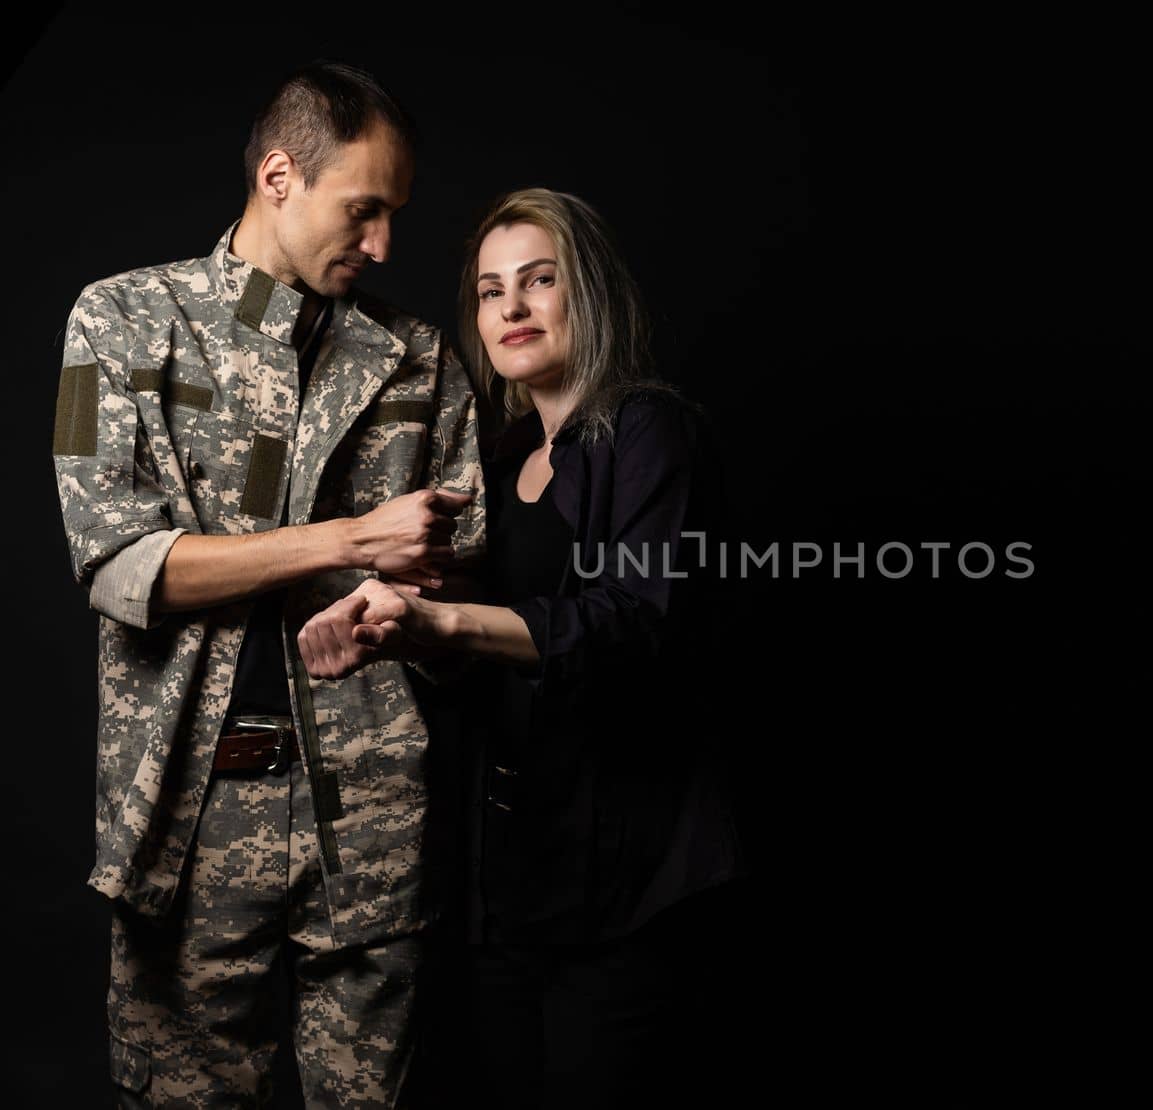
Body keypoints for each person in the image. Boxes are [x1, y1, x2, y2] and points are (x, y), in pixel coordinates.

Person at [49, 62, 485, 1106]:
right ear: (280, 176)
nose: (383, 243)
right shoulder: (114, 325)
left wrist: (412, 602)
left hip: (372, 823)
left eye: (394, 215)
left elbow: (460, 584)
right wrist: (351, 539)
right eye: (363, 209)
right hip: (187, 825)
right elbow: (118, 568)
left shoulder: (421, 364)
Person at [299, 187, 748, 1105]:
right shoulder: (503, 460)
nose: (510, 308)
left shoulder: (650, 429)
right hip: (513, 876)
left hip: (630, 881)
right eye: (490, 289)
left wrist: (449, 621)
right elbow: (490, 656)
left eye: (539, 281)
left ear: (589, 293)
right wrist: (402, 629)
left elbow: (631, 619)